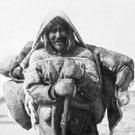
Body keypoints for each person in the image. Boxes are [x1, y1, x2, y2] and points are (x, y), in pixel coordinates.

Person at [0, 10, 134, 135]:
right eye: (53, 31)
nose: (58, 35)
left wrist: (80, 76)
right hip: (48, 126)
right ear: (46, 34)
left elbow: (95, 91)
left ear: (70, 32)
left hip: (83, 125)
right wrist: (54, 91)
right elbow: (32, 88)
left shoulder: (84, 55)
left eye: (62, 30)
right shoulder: (38, 57)